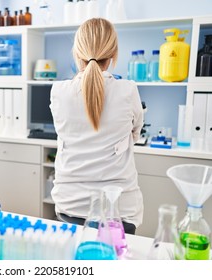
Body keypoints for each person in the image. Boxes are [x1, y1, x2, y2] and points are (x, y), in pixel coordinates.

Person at [49, 18, 144, 234]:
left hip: (71, 204)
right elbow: (134, 134)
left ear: (76, 52)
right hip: (119, 209)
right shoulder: (128, 90)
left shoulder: (59, 91)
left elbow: (67, 132)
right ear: (113, 55)